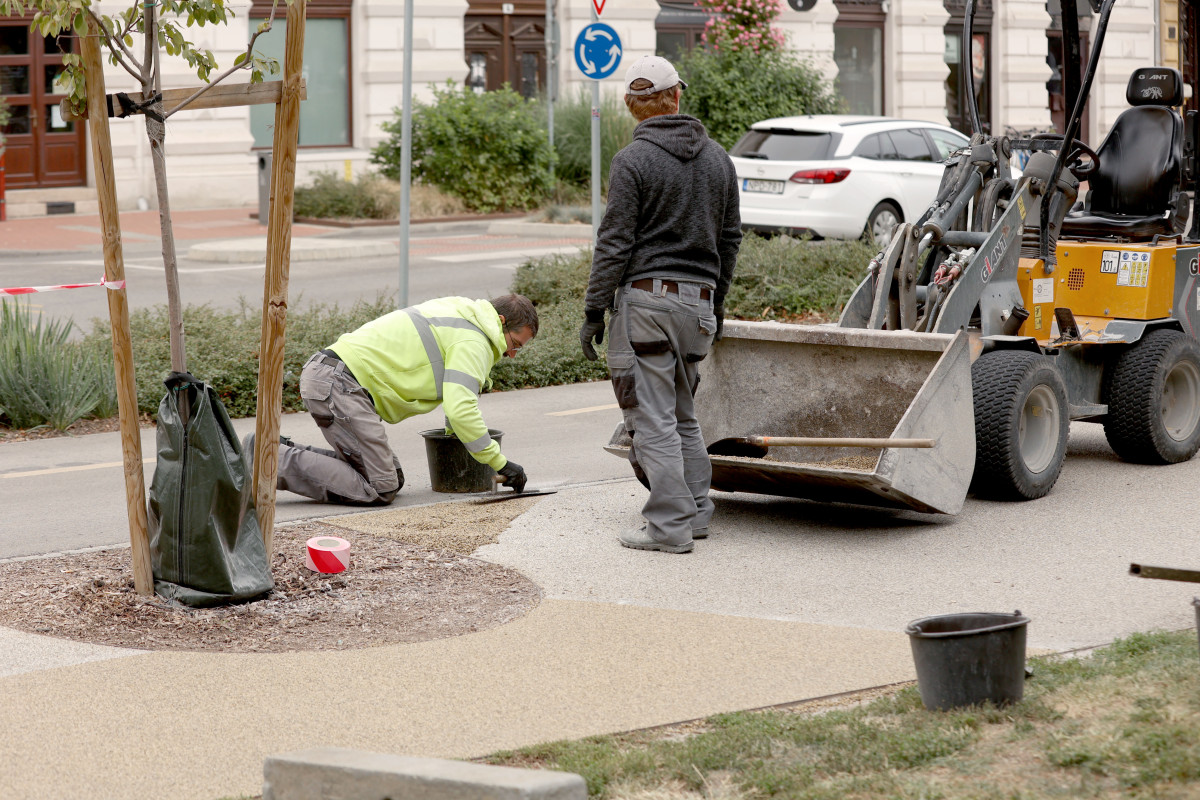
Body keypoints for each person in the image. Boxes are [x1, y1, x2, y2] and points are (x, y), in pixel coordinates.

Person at [580, 54, 741, 554]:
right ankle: (694, 515)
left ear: (632, 107)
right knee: (684, 414)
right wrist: (717, 301)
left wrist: (592, 311)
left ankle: (668, 528)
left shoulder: (633, 161)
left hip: (647, 304)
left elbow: (614, 242)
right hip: (698, 307)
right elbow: (730, 239)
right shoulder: (719, 159)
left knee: (652, 420)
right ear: (677, 97)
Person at [264, 294, 538, 505]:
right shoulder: (474, 340)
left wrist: (456, 437)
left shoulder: (464, 314)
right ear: (501, 321)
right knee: (381, 487)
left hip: (335, 378)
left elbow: (454, 393)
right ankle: (268, 462)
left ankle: (277, 452)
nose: (512, 354)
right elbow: (461, 409)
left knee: (392, 477)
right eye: (515, 344)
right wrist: (500, 463)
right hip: (340, 384)